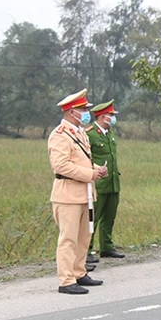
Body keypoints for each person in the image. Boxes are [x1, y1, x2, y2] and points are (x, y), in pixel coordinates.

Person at [47, 89, 108, 295]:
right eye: (83, 109)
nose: (86, 113)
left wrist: (97, 169)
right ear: (71, 111)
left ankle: (79, 272)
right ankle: (66, 280)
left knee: (84, 237)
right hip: (68, 194)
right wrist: (90, 173)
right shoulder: (60, 135)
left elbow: (81, 161)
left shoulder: (80, 133)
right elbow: (61, 166)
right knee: (68, 239)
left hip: (85, 193)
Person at [86, 99, 124, 261]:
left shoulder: (111, 134)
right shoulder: (90, 134)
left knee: (110, 216)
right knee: (93, 219)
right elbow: (86, 158)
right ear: (102, 116)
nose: (113, 118)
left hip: (113, 182)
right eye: (110, 115)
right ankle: (86, 250)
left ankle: (107, 247)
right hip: (99, 184)